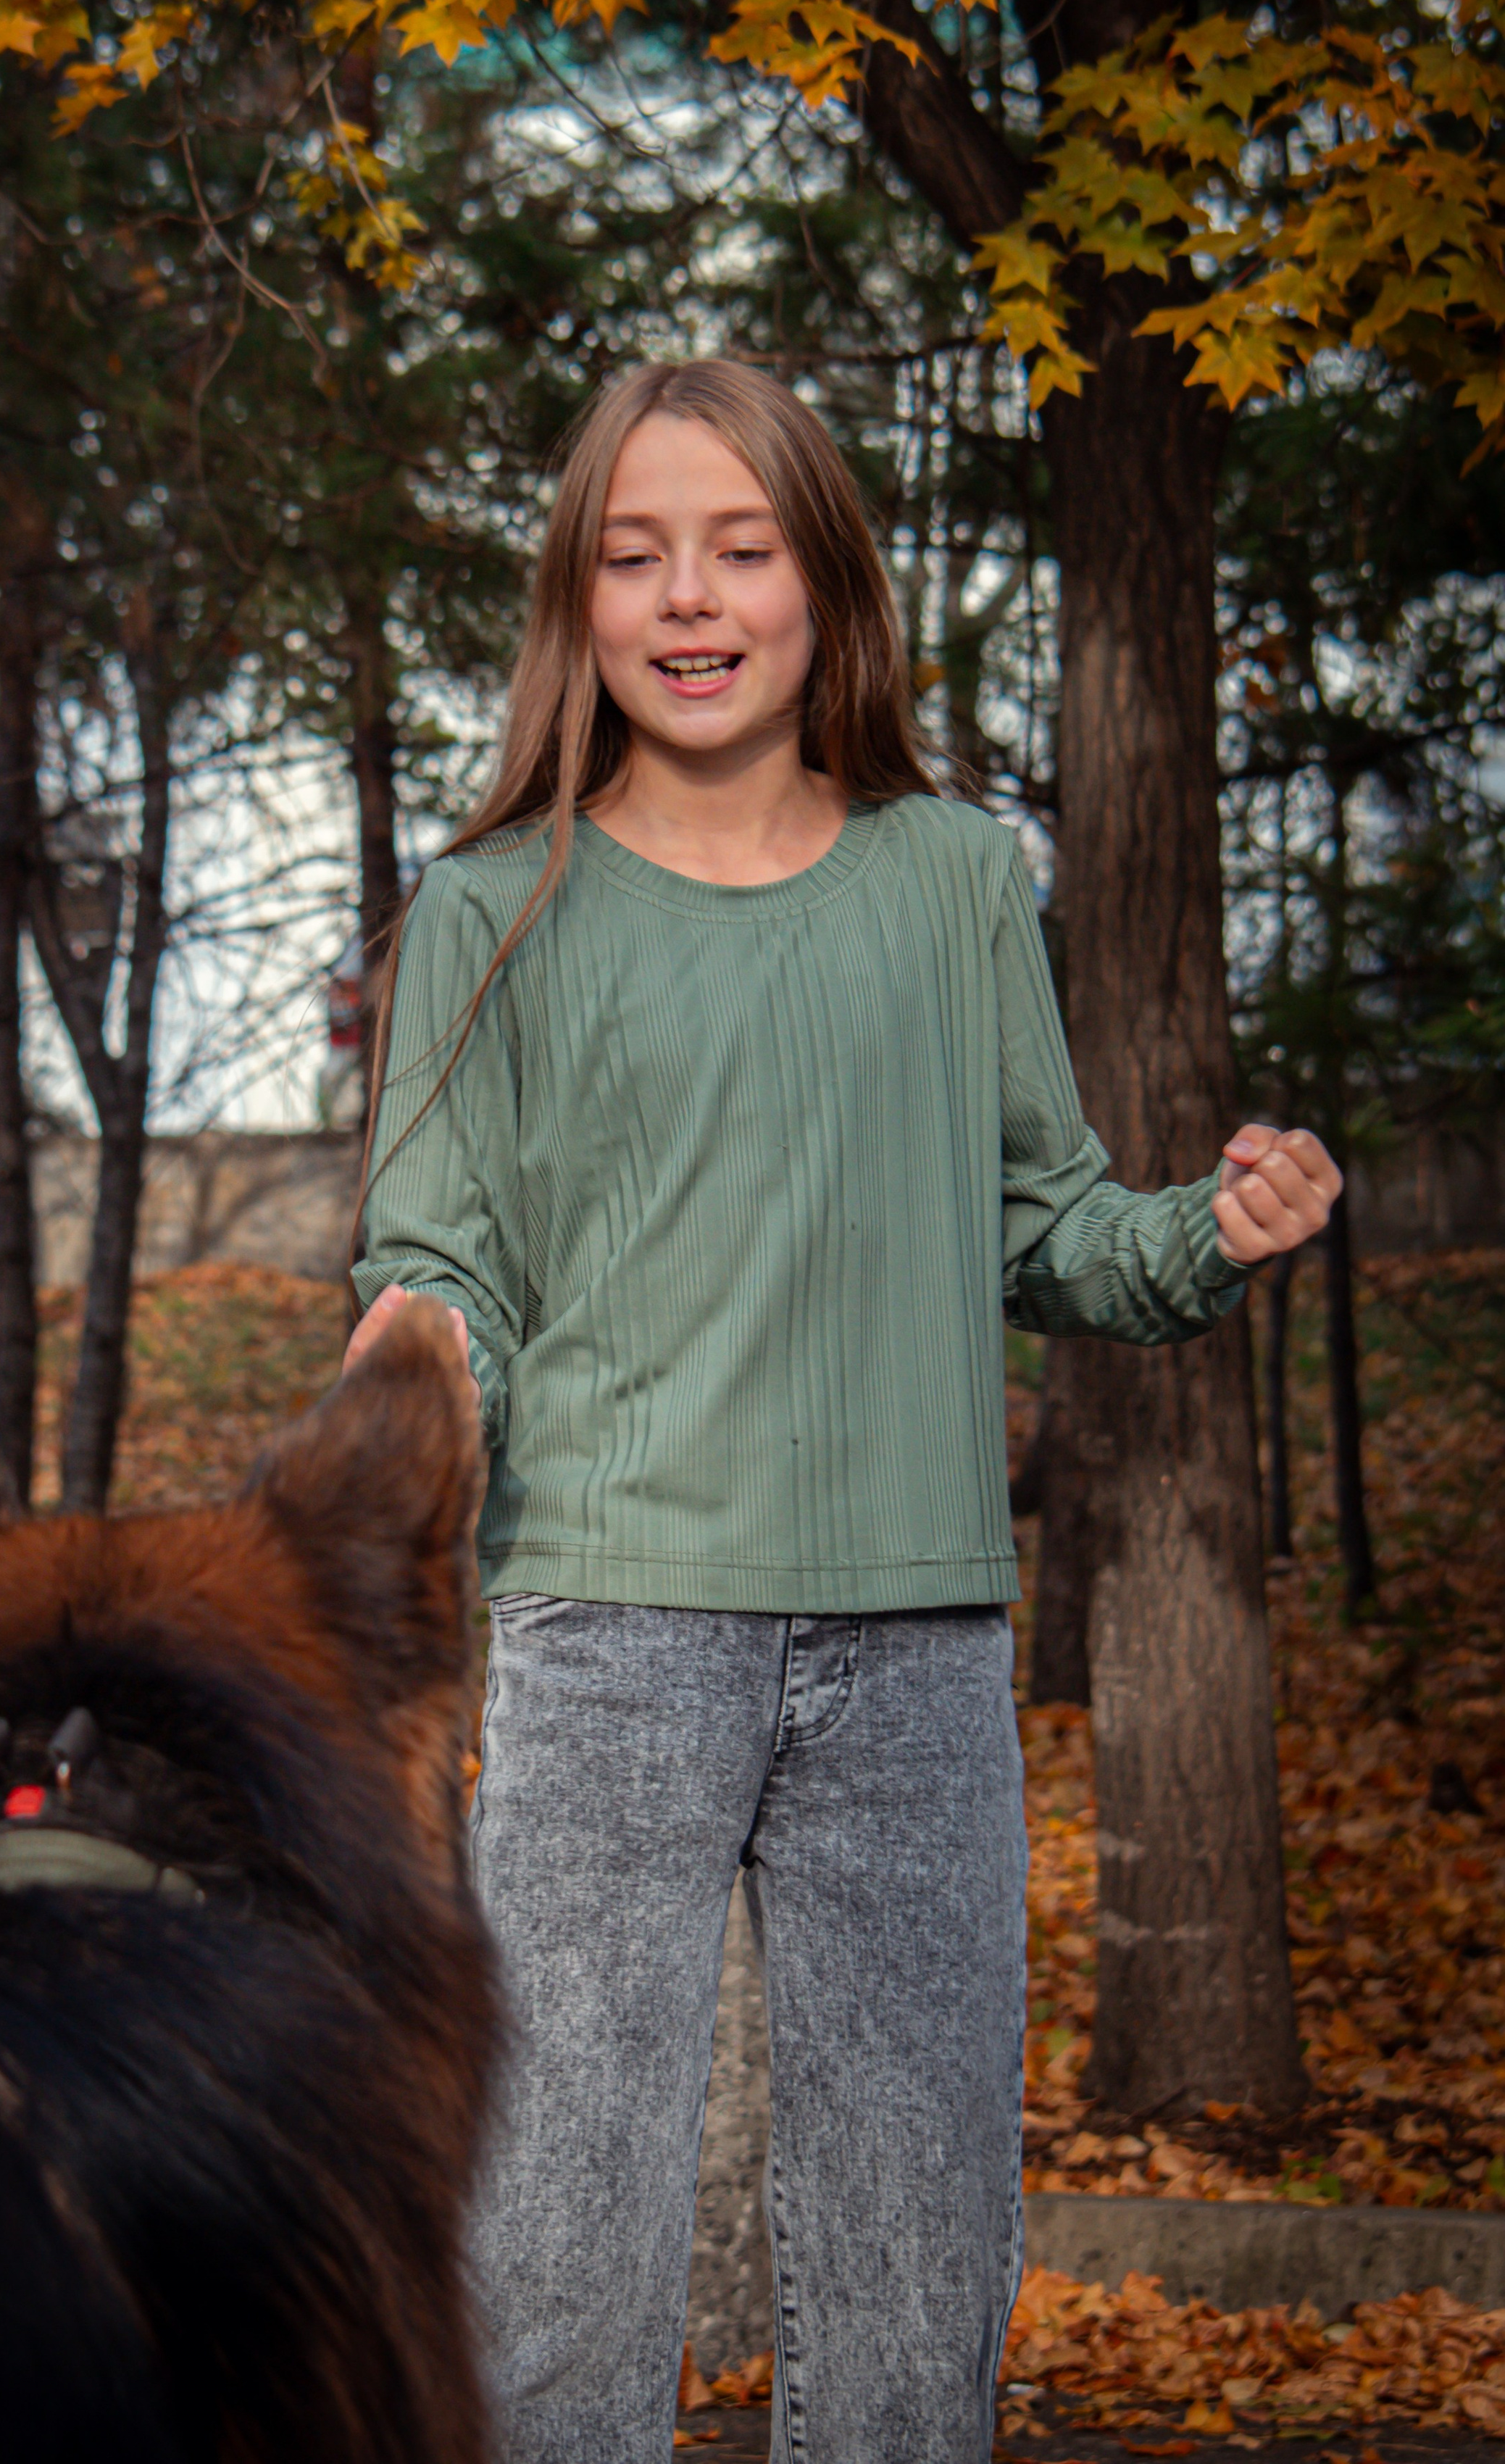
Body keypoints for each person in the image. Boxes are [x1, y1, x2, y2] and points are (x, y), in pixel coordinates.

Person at [345, 360, 1339, 2464]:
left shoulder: (953, 880)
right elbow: (443, 1263)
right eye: (636, 556)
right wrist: (414, 1363)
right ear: (579, 599)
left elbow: (1053, 1226)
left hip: (919, 1653)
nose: (690, 598)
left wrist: (1209, 1233)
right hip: (606, 1634)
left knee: (915, 2259)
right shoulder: (491, 906)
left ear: (830, 586)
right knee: (554, 2250)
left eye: (742, 547)